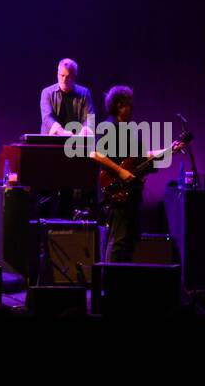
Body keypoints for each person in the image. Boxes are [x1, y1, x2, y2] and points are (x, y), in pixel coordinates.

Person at [91, 86, 142, 262]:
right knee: (118, 239)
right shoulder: (109, 127)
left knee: (130, 238)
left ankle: (121, 281)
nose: (133, 108)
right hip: (115, 192)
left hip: (130, 193)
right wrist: (120, 171)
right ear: (120, 105)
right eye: (130, 104)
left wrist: (169, 150)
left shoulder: (129, 129)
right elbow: (95, 153)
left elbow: (141, 157)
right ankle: (110, 284)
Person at [40, 58, 95, 136]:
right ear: (57, 74)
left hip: (76, 141)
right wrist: (60, 131)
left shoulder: (84, 93)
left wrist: (85, 130)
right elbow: (47, 117)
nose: (64, 79)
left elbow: (90, 117)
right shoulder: (47, 92)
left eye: (68, 76)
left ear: (74, 77)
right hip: (51, 140)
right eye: (62, 75)